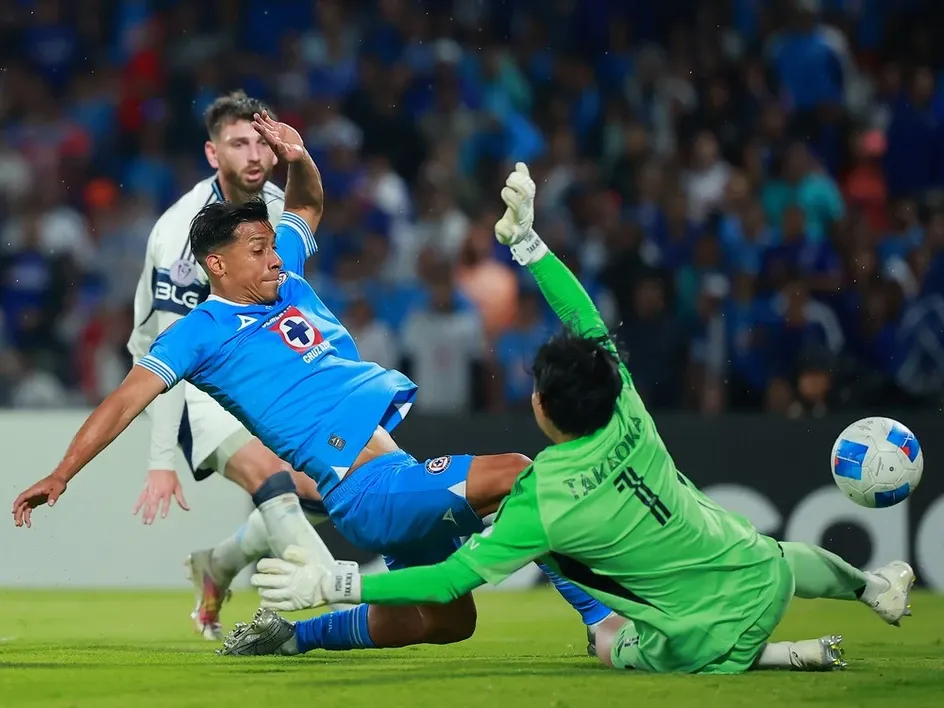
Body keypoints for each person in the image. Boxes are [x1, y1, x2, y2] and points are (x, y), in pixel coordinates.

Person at [224, 164, 916, 673]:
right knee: (779, 558)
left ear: (545, 408)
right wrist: (529, 244)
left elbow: (446, 583)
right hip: (765, 576)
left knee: (612, 643)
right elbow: (585, 318)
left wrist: (338, 581)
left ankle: (774, 655)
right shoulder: (628, 410)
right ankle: (872, 587)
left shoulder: (540, 498)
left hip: (704, 643)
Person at [12, 119, 611, 655]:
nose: (275, 257)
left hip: (394, 472)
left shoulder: (286, 278)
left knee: (449, 622)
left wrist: (299, 159)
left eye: (273, 245)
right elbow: (122, 401)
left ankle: (294, 637)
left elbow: (308, 205)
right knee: (520, 474)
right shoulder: (201, 333)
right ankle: (600, 623)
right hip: (364, 489)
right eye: (259, 249)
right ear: (218, 265)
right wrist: (63, 471)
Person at [125, 90, 335, 640]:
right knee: (269, 477)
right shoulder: (179, 233)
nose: (254, 155)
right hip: (185, 378)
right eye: (237, 143)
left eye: (260, 142)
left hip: (252, 364)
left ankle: (216, 566)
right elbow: (163, 350)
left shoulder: (272, 206)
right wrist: (161, 458)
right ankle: (329, 594)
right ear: (213, 154)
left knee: (317, 492)